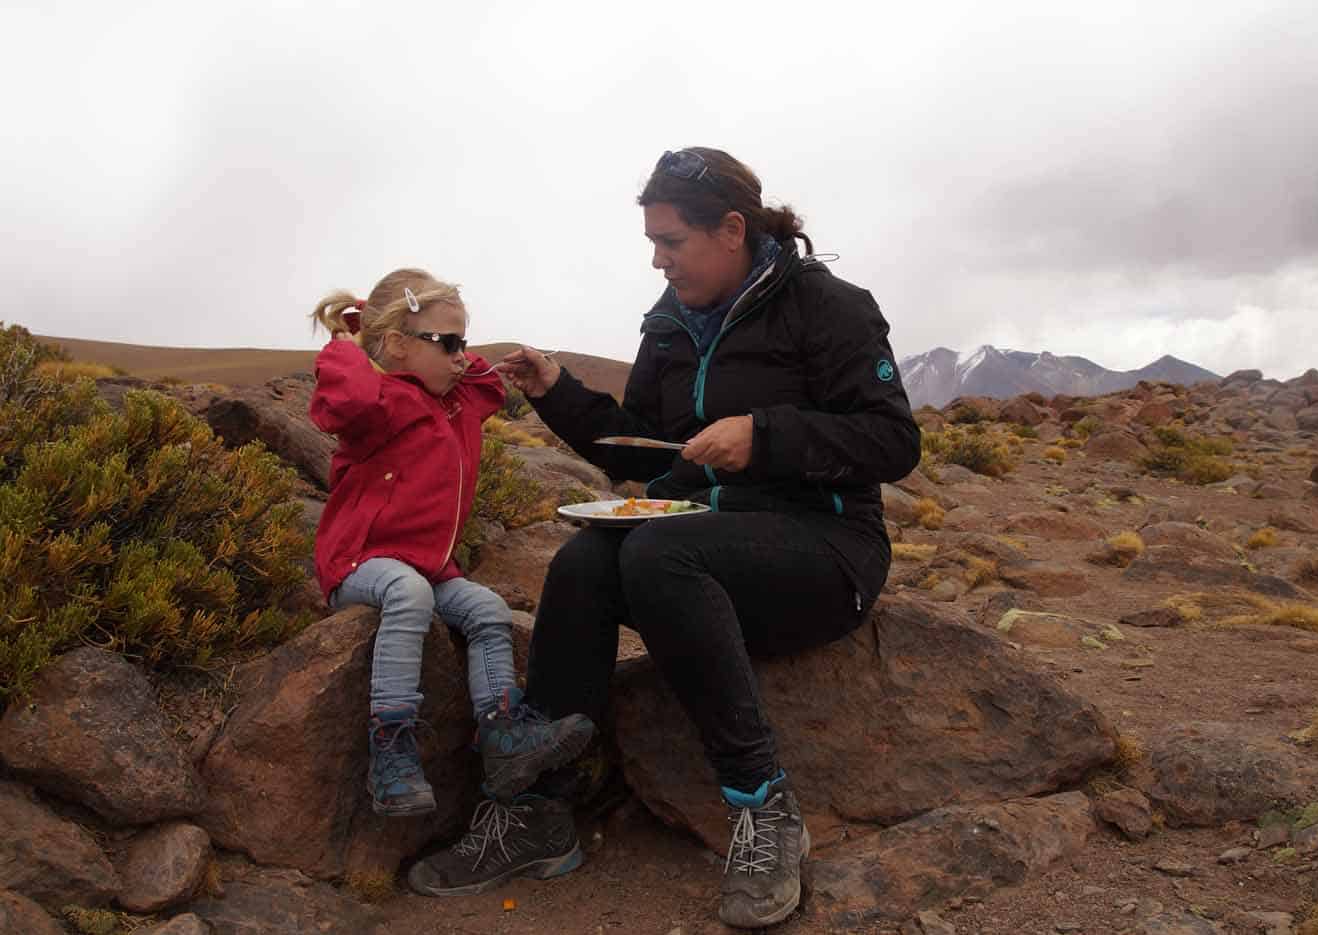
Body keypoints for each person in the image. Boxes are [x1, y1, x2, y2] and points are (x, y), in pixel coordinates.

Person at [407, 150, 920, 928]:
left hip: (827, 546)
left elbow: (892, 441)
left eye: (672, 241)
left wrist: (765, 437)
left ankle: (765, 806)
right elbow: (640, 447)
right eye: (653, 242)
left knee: (655, 552)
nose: (659, 259)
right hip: (706, 542)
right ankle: (540, 811)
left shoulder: (827, 307)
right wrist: (559, 394)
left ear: (732, 230)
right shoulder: (670, 321)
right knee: (585, 561)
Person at [308, 267, 594, 822]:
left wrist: (444, 343)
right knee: (409, 593)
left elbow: (490, 386)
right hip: (359, 565)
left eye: (464, 341)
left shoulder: (456, 402)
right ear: (394, 346)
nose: (464, 357)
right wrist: (349, 342)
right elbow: (348, 400)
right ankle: (390, 750)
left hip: (430, 569)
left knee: (487, 609)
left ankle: (503, 735)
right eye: (451, 344)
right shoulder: (379, 404)